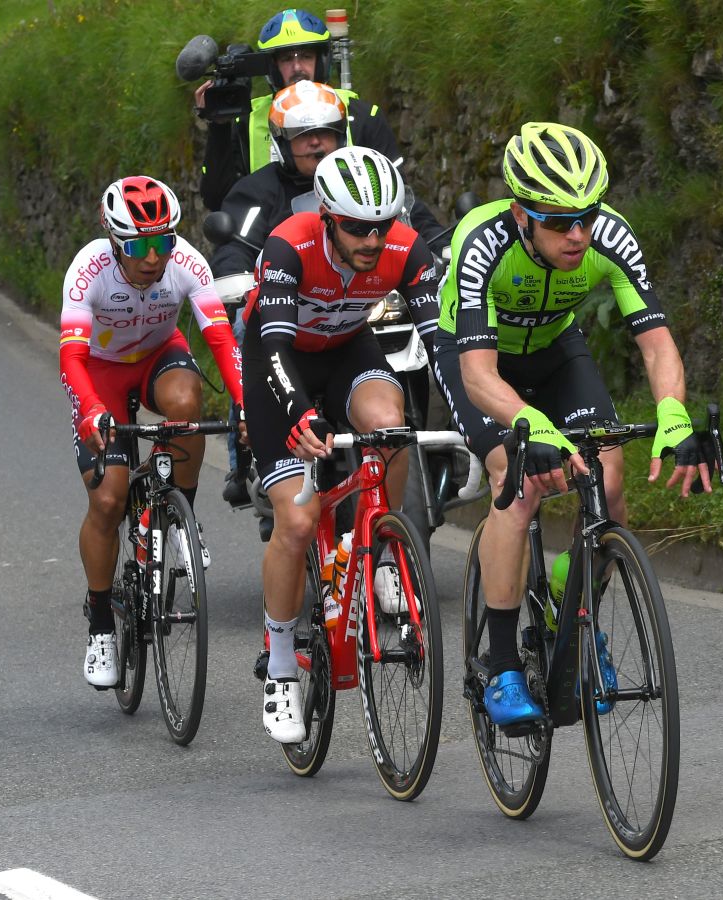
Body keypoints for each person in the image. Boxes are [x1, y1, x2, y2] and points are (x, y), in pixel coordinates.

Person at [431, 122, 713, 727]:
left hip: (556, 347)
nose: (578, 234)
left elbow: (657, 343)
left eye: (585, 216)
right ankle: (502, 664)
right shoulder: (480, 242)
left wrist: (671, 411)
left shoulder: (609, 235)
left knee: (609, 481)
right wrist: (533, 425)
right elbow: (480, 376)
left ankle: (572, 605)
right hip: (477, 358)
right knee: (518, 478)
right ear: (519, 213)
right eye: (559, 222)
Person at [241, 145, 441, 742]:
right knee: (298, 524)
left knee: (391, 422)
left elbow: (447, 348)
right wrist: (301, 413)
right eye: (356, 227)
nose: (372, 240)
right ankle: (280, 667)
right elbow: (274, 347)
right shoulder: (288, 246)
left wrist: (482, 423)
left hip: (348, 350)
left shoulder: (407, 251)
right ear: (327, 216)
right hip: (281, 365)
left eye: (382, 226)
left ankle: (380, 550)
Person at [60, 176, 244, 688]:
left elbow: (221, 338)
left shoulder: (186, 263)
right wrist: (92, 410)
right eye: (139, 245)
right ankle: (100, 625)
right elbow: (71, 357)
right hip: (101, 371)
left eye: (162, 242)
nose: (153, 257)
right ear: (115, 242)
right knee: (108, 501)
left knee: (187, 406)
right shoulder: (88, 270)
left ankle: (181, 515)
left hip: (161, 356)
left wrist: (246, 403)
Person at [193, 8, 443, 244]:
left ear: (322, 60)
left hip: (361, 245)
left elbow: (400, 199)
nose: (298, 67)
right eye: (286, 59)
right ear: (272, 67)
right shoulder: (247, 119)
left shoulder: (362, 115)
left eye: (306, 56)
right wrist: (219, 127)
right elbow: (220, 201)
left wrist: (440, 244)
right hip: (274, 250)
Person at [212, 79, 348, 506]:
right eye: (303, 136)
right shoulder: (256, 191)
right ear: (282, 142)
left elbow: (410, 219)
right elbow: (232, 246)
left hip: (349, 309)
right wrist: (236, 280)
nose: (316, 144)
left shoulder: (364, 178)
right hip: (281, 308)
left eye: (325, 133)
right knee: (241, 327)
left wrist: (437, 246)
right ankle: (244, 454)